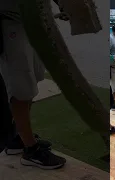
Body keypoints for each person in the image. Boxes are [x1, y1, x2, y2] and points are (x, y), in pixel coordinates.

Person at [0, 0, 68, 169]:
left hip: (30, 23)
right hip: (8, 21)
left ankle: (18, 138)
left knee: (33, 78)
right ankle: (31, 150)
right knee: (21, 86)